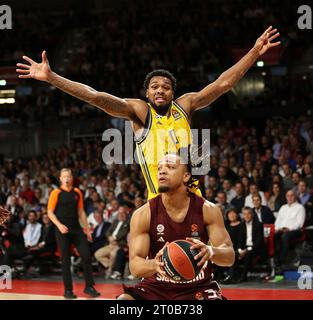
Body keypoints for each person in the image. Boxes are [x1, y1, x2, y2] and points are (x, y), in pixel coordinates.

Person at [17, 27, 280, 199]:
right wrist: (53, 78)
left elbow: (224, 83)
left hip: (193, 199)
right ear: (147, 93)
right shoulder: (139, 111)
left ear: (173, 93)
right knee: (162, 274)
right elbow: (95, 96)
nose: (160, 90)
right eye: (154, 86)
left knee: (199, 273)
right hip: (159, 202)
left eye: (166, 87)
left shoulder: (185, 105)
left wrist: (254, 51)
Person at [117, 153, 235, 300]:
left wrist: (211, 251)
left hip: (197, 288)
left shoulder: (208, 210)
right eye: (159, 168)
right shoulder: (143, 214)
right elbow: (135, 266)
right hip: (156, 287)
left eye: (171, 167)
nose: (162, 171)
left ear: (186, 176)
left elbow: (229, 256)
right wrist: (155, 265)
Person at [47, 168, 100, 299]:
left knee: (86, 255)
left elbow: (81, 212)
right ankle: (68, 290)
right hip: (62, 230)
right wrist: (59, 225)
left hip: (76, 229)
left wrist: (87, 230)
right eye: (64, 176)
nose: (66, 178)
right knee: (65, 260)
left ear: (71, 178)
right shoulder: (56, 193)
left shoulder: (77, 192)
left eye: (68, 176)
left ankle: (89, 287)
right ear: (60, 178)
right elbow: (49, 212)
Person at [274, 190, 306, 266]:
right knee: (272, 235)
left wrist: (289, 228)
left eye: (292, 195)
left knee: (285, 236)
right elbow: (277, 221)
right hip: (281, 230)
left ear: (295, 197)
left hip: (294, 230)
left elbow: (300, 223)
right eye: (288, 196)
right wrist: (277, 229)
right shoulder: (283, 207)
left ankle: (281, 261)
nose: (290, 197)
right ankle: (273, 258)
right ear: (286, 197)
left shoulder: (300, 207)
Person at [237, 207, 266, 282]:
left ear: (252, 214)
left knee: (248, 254)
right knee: (234, 253)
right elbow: (239, 240)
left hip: (256, 248)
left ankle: (244, 276)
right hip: (244, 248)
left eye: (248, 214)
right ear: (243, 215)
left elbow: (259, 242)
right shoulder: (241, 225)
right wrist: (240, 250)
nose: (246, 216)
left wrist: (246, 250)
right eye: (245, 214)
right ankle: (232, 275)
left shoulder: (259, 225)